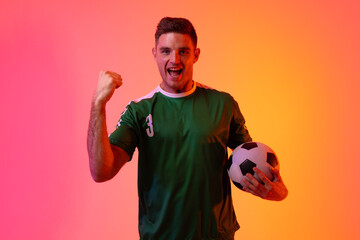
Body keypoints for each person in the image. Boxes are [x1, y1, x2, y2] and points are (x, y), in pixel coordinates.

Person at [87, 17, 288, 240]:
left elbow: (250, 161)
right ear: (154, 54)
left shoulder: (223, 104)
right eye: (166, 51)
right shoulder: (139, 111)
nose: (174, 60)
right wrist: (98, 104)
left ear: (196, 54)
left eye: (183, 51)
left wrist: (278, 191)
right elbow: (101, 171)